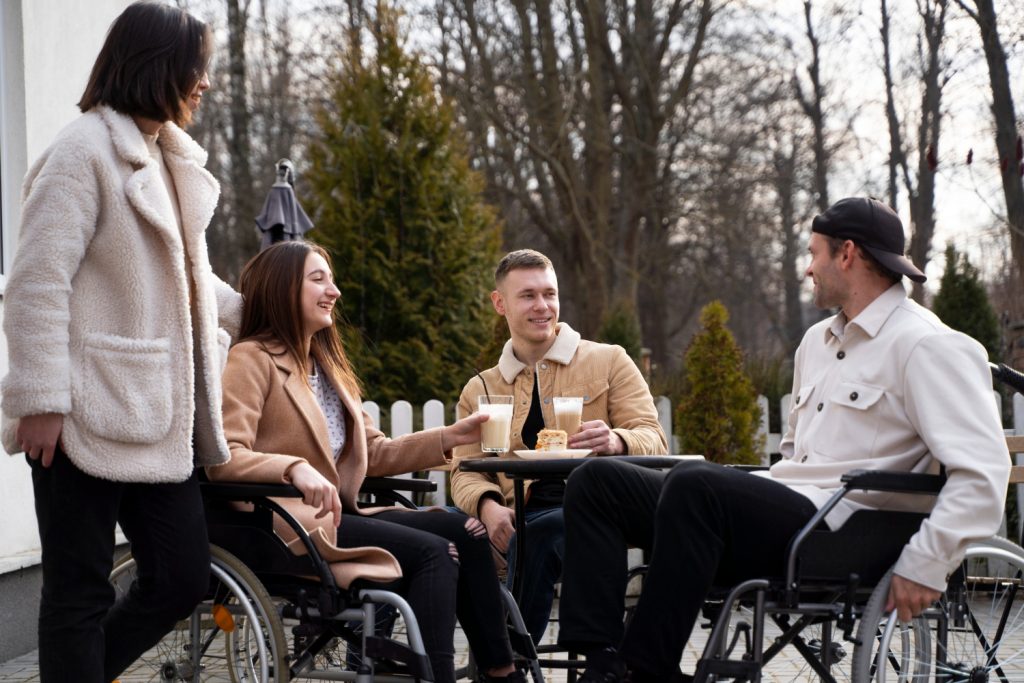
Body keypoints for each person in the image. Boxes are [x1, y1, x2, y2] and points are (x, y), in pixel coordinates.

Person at [556, 197, 1011, 682]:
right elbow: (795, 456)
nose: (808, 267)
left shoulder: (928, 345)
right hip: (789, 512)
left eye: (814, 253)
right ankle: (601, 662)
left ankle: (645, 671)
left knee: (695, 486)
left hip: (848, 531)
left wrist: (927, 563)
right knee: (598, 480)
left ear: (847, 254)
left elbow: (984, 472)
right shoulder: (816, 344)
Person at [0, 3, 242, 682]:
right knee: (78, 592)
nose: (205, 82)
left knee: (182, 574)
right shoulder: (81, 152)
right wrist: (39, 398)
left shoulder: (167, 156)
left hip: (153, 420)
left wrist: (261, 314)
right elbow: (36, 283)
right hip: (78, 415)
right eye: (197, 67)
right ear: (156, 64)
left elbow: (192, 279)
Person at [208, 241, 524, 683]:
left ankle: (500, 671)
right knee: (435, 553)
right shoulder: (252, 360)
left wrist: (450, 437)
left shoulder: (327, 367)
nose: (334, 290)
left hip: (341, 515)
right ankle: (435, 677)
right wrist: (292, 468)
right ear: (281, 289)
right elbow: (225, 457)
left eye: (331, 279)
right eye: (318, 279)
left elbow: (373, 453)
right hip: (289, 523)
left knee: (464, 532)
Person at [450, 249, 668, 643]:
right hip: (515, 512)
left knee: (542, 534)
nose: (542, 306)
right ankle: (405, 661)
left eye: (549, 294)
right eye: (528, 296)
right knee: (438, 531)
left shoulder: (608, 361)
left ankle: (512, 662)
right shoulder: (481, 388)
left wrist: (617, 440)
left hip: (595, 512)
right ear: (500, 304)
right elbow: (464, 469)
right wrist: (488, 506)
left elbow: (654, 437)